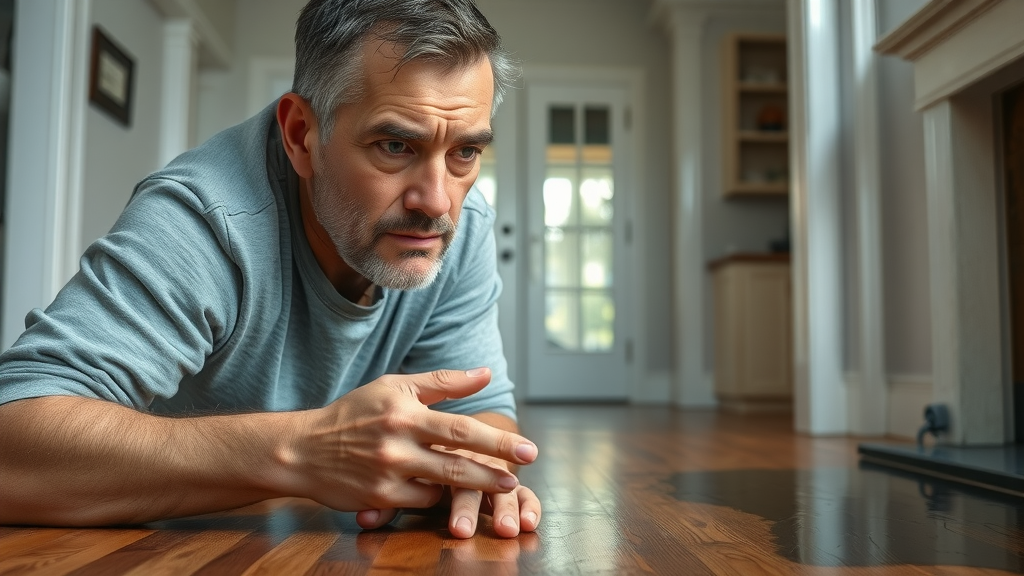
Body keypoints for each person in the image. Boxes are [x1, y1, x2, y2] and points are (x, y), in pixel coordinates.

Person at [0, 0, 541, 540]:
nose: (439, 203)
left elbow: (482, 413)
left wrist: (464, 469)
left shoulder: (460, 225)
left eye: (465, 151)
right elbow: (12, 441)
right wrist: (303, 451)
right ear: (302, 133)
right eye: (395, 145)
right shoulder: (207, 219)